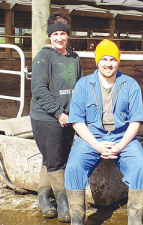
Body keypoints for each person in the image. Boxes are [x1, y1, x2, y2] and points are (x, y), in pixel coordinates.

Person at [64, 39, 143, 225]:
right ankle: (77, 220)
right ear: (97, 62)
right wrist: (97, 145)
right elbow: (77, 121)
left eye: (112, 59)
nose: (108, 64)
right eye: (103, 59)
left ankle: (135, 220)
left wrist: (119, 146)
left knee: (142, 166)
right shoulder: (83, 84)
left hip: (122, 137)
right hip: (91, 137)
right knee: (73, 167)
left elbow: (136, 121)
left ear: (118, 61)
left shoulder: (130, 84)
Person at [30, 12, 83, 222]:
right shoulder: (44, 57)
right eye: (56, 34)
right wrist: (59, 113)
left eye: (63, 33)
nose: (60, 38)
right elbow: (39, 89)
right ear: (50, 36)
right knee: (57, 163)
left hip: (68, 117)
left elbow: (79, 87)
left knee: (53, 158)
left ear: (68, 35)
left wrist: (75, 114)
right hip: (46, 117)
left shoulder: (74, 57)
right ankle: (64, 204)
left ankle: (43, 197)